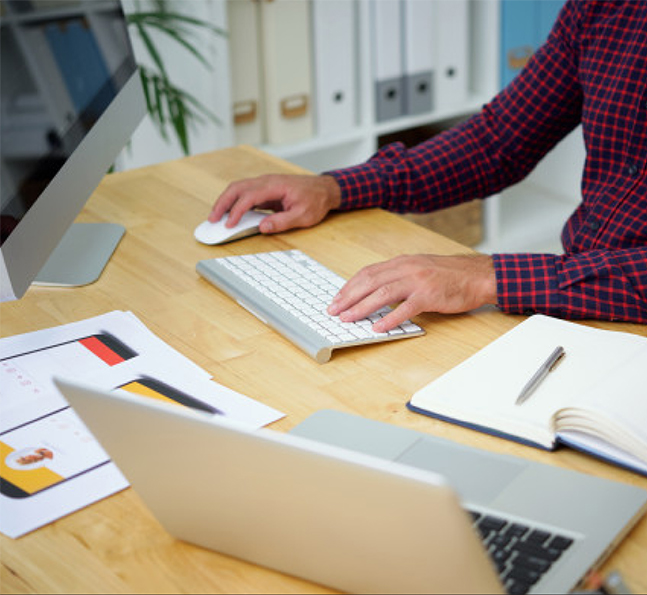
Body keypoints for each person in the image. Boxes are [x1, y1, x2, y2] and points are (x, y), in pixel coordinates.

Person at [210, 0, 647, 333]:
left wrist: (488, 276)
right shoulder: (607, 7)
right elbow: (499, 141)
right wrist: (335, 188)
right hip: (577, 303)